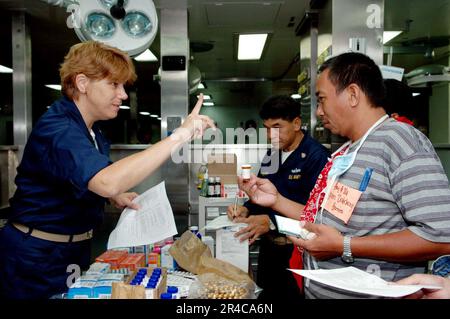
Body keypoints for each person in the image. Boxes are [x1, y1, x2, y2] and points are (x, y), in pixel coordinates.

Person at [0, 41, 214, 299]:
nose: (123, 95)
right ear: (82, 83)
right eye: (114, 84)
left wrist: (113, 196)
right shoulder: (59, 129)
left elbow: (81, 178)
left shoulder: (92, 131)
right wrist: (180, 135)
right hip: (35, 256)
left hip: (73, 250)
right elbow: (106, 181)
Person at [238, 52, 450, 299]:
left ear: (352, 94)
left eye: (322, 100)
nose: (318, 112)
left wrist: (344, 246)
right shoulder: (346, 152)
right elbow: (323, 219)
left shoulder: (400, 142)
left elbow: (440, 237)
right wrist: (276, 201)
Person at [227, 95, 329, 299]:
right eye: (266, 128)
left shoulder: (317, 157)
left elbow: (317, 213)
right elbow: (263, 194)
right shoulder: (272, 154)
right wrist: (247, 208)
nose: (270, 135)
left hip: (297, 252)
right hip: (270, 250)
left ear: (297, 123)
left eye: (277, 126)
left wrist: (271, 222)